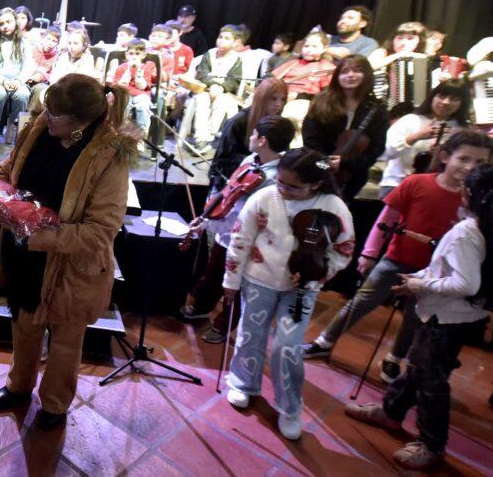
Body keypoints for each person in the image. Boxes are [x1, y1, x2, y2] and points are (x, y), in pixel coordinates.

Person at [0, 75, 135, 430]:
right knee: (23, 324)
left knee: (65, 342)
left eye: (55, 113)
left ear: (81, 122)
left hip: (70, 267)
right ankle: (19, 384)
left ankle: (55, 403)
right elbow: (6, 171)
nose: (45, 115)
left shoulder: (109, 156)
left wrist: (37, 236)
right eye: (47, 108)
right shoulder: (40, 127)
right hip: (23, 253)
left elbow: (100, 232)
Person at [304, 130, 492, 381]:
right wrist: (369, 253)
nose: (470, 167)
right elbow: (387, 219)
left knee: (414, 317)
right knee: (361, 302)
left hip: (434, 273)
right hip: (396, 259)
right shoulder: (417, 183)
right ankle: (325, 341)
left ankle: (395, 359)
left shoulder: (478, 200)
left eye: (479, 162)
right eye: (464, 159)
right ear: (446, 156)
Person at [344, 163, 493, 470]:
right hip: (464, 316)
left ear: (470, 193)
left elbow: (466, 283)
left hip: (446, 317)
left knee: (431, 381)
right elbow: (452, 270)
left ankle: (431, 443)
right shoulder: (482, 226)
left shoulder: (467, 231)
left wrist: (420, 284)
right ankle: (392, 410)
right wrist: (423, 276)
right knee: (420, 368)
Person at [223, 148, 355, 440]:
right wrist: (231, 280)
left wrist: (320, 273)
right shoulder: (265, 197)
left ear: (316, 184)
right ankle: (244, 383)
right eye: (280, 181)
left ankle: (290, 407)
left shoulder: (333, 206)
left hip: (302, 289)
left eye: (292, 186)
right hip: (258, 279)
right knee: (250, 333)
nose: (282, 189)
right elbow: (240, 238)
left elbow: (344, 249)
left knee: (288, 346)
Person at [181, 116, 296, 344]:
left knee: (235, 285)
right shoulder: (250, 159)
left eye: (254, 135)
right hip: (226, 232)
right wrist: (207, 218)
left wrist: (213, 221)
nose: (250, 138)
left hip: (249, 238)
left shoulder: (276, 177)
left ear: (262, 140)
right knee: (212, 275)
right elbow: (229, 193)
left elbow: (250, 213)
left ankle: (223, 326)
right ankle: (202, 307)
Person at [302, 54, 388, 201]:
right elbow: (310, 139)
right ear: (337, 76)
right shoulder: (322, 100)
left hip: (353, 175)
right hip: (319, 169)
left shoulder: (377, 108)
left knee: (338, 210)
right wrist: (325, 165)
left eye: (357, 70)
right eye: (345, 71)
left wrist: (345, 162)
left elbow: (376, 148)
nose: (350, 75)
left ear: (366, 74)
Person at [378, 79, 471, 197]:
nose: (446, 102)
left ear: (462, 103)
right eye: (441, 96)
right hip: (397, 184)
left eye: (454, 99)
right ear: (432, 97)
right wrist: (417, 136)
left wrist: (442, 156)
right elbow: (385, 153)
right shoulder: (410, 120)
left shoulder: (462, 129)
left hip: (439, 189)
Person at [208, 77, 288, 191]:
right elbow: (223, 160)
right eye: (273, 99)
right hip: (231, 183)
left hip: (264, 180)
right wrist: (260, 160)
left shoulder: (279, 124)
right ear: (262, 98)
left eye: (282, 99)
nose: (278, 104)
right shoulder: (238, 121)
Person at [182, 25, 244, 153]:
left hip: (223, 93)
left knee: (221, 103)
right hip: (205, 89)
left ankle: (207, 137)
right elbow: (201, 73)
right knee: (201, 101)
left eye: (227, 38)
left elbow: (234, 80)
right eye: (220, 37)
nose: (221, 40)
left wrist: (221, 87)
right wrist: (213, 84)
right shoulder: (209, 54)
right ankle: (201, 138)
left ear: (234, 42)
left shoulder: (236, 59)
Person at [0, 7, 35, 145]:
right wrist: (2, 80)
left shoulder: (24, 43)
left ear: (15, 22)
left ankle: (12, 125)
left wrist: (19, 80)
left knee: (22, 95)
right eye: (1, 24)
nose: (5, 26)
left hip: (17, 81)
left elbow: (27, 66)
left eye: (8, 22)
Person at [112, 39, 162, 142]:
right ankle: (120, 135)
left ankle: (140, 137)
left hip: (141, 94)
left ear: (143, 55)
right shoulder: (121, 68)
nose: (134, 57)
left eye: (137, 54)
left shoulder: (146, 68)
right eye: (131, 54)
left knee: (143, 106)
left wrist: (139, 72)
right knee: (123, 105)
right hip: (125, 93)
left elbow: (142, 87)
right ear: (126, 55)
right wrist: (128, 71)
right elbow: (121, 86)